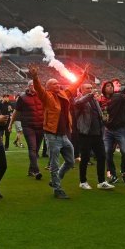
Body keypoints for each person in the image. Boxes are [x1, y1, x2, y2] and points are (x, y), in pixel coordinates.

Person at [29, 64, 86, 199]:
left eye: (58, 83)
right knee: (54, 164)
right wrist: (35, 77)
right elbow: (38, 88)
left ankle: (56, 179)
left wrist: (83, 75)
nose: (58, 85)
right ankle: (57, 189)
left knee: (70, 161)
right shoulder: (46, 96)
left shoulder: (64, 93)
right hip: (52, 135)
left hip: (64, 134)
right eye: (55, 84)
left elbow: (74, 85)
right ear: (48, 87)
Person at [99, 70, 125, 183]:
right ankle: (112, 173)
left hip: (121, 129)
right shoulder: (101, 101)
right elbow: (102, 116)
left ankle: (124, 170)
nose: (110, 87)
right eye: (108, 86)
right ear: (103, 88)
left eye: (111, 86)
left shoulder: (118, 97)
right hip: (108, 130)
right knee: (107, 152)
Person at [74, 82, 114, 190]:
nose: (90, 89)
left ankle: (101, 181)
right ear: (81, 90)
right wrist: (90, 95)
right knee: (85, 158)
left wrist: (103, 118)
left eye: (91, 88)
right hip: (85, 133)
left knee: (101, 156)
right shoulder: (79, 99)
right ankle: (83, 181)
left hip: (97, 133)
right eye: (87, 88)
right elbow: (78, 104)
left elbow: (99, 113)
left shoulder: (94, 100)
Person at [10, 80, 44, 179]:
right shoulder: (22, 97)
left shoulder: (42, 95)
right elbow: (16, 111)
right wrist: (10, 124)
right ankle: (37, 171)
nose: (35, 87)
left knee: (36, 150)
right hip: (28, 126)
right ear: (29, 86)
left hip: (40, 126)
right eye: (33, 85)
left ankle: (30, 170)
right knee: (32, 148)